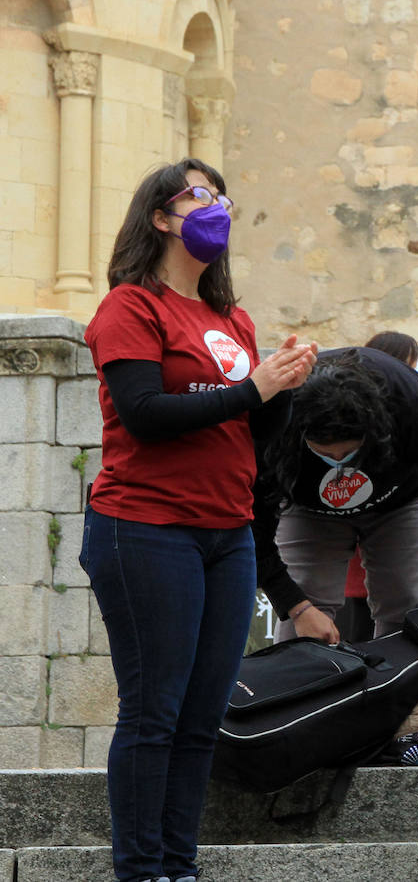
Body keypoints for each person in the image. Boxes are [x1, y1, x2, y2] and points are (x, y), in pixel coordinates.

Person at [81, 158, 317, 882]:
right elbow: (147, 417)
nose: (218, 205)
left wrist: (279, 389)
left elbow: (246, 431)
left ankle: (178, 865)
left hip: (227, 533)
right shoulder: (130, 307)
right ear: (160, 215)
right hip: (146, 526)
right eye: (200, 195)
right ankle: (141, 869)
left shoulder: (230, 319)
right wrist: (253, 386)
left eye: (223, 194)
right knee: (154, 709)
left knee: (200, 716)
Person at [254, 347, 418, 644]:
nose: (338, 461)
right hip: (308, 510)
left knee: (404, 600)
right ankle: (302, 682)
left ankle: (403, 686)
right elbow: (252, 522)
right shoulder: (274, 421)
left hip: (400, 501)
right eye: (325, 453)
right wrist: (295, 607)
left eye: (348, 453)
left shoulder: (409, 400)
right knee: (309, 602)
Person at [335, 330, 418, 642]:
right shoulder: (352, 413)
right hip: (356, 543)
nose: (416, 371)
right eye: (411, 363)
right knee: (354, 627)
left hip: (406, 537)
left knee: (400, 617)